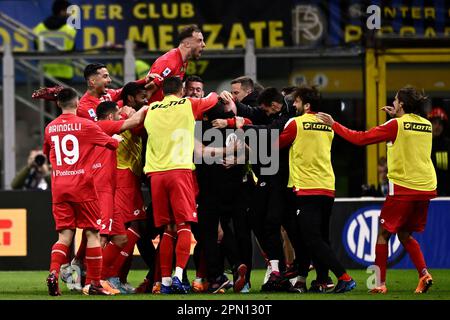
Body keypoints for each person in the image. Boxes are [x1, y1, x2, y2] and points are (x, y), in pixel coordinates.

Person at [317, 86, 436, 294]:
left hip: (403, 187)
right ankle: (424, 274)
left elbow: (360, 138)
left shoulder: (395, 125)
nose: (394, 102)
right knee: (405, 234)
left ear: (402, 105)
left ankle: (379, 284)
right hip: (426, 187)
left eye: (396, 100)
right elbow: (406, 136)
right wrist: (395, 118)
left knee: (383, 234)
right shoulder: (426, 124)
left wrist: (333, 124)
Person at [143, 76, 219, 294]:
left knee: (167, 229)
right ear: (182, 90)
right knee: (184, 225)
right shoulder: (188, 104)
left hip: (156, 175)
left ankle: (165, 282)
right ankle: (178, 275)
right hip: (179, 171)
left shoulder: (152, 108)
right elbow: (211, 100)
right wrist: (215, 94)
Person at [43, 87, 121, 296]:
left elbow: (46, 151)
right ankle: (94, 283)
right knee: (92, 233)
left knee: (64, 236)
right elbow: (111, 144)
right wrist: (117, 140)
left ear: (58, 104)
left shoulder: (49, 128)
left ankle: (53, 272)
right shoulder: (87, 125)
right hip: (82, 187)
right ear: (77, 103)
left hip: (59, 187)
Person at [278, 85, 356, 294]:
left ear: (307, 105)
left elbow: (276, 145)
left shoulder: (296, 123)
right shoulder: (327, 124)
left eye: (297, 101)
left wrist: (248, 142)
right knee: (321, 237)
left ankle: (344, 277)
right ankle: (322, 280)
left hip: (306, 188)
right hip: (327, 187)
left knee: (311, 238)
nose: (294, 104)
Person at [145, 24, 206, 103]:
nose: (204, 45)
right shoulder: (169, 62)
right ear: (187, 44)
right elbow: (146, 93)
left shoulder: (183, 62)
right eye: (199, 40)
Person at [33, 0, 76, 81]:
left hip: (45, 74)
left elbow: (36, 50)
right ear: (62, 11)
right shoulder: (69, 30)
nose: (70, 14)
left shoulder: (39, 28)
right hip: (65, 74)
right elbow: (72, 52)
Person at [428, 107, 450, 196]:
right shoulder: (423, 144)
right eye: (435, 123)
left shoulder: (448, 145)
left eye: (440, 124)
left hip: (446, 194)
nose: (437, 126)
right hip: (427, 191)